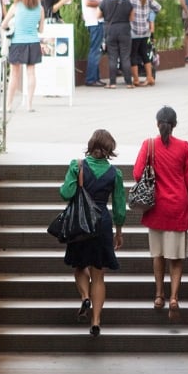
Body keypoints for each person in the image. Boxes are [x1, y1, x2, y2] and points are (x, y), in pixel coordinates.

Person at [59, 128, 126, 337]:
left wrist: (75, 179)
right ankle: (96, 321)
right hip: (102, 224)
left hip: (80, 223)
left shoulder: (77, 165)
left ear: (90, 146)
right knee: (98, 274)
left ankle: (85, 297)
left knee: (80, 268)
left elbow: (65, 193)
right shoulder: (115, 174)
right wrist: (119, 231)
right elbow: (119, 206)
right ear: (109, 150)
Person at [136, 106, 188, 318]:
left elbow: (137, 174)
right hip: (178, 207)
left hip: (156, 209)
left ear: (157, 124)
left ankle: (158, 295)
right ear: (175, 125)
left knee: (158, 254)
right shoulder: (184, 147)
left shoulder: (149, 145)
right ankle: (173, 297)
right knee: (176, 257)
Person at [2, 0, 45, 112]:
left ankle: (8, 105)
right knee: (31, 73)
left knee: (14, 74)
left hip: (17, 43)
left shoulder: (15, 7)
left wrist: (12, 25)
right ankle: (29, 105)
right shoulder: (40, 8)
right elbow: (41, 30)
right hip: (33, 42)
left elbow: (3, 25)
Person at [98, 0, 134, 88]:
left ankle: (112, 83)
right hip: (124, 30)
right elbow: (132, 18)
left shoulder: (104, 2)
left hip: (110, 30)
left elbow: (98, 16)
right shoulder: (127, 3)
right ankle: (129, 83)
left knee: (112, 57)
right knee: (125, 57)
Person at [80, 0, 110, 87]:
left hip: (94, 20)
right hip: (95, 21)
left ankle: (95, 77)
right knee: (95, 50)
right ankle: (91, 78)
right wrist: (104, 3)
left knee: (96, 50)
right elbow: (88, 2)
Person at [127, 0, 157, 87]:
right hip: (145, 31)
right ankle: (150, 78)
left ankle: (135, 79)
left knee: (133, 55)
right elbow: (158, 7)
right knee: (145, 54)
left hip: (133, 31)